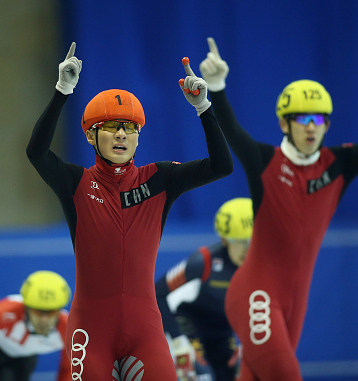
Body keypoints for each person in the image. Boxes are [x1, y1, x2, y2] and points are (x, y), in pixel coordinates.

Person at [197, 37, 358, 380]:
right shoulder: (265, 161)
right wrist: (217, 87)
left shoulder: (339, 164)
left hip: (295, 302)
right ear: (284, 124)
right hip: (254, 294)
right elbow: (233, 133)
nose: (312, 126)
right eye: (303, 118)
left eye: (320, 119)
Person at [26, 42, 233, 380]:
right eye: (110, 126)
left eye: (130, 127)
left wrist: (203, 107)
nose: (122, 134)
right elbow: (36, 152)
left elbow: (222, 166)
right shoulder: (75, 182)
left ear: (138, 137)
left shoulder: (162, 178)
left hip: (145, 331)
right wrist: (63, 90)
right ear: (91, 137)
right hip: (91, 332)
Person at [156, 197, 253, 381]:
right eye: (240, 242)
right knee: (202, 377)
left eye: (252, 241)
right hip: (188, 323)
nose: (247, 250)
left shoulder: (261, 265)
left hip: (221, 330)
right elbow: (157, 292)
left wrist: (247, 344)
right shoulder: (203, 261)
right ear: (224, 239)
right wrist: (177, 340)